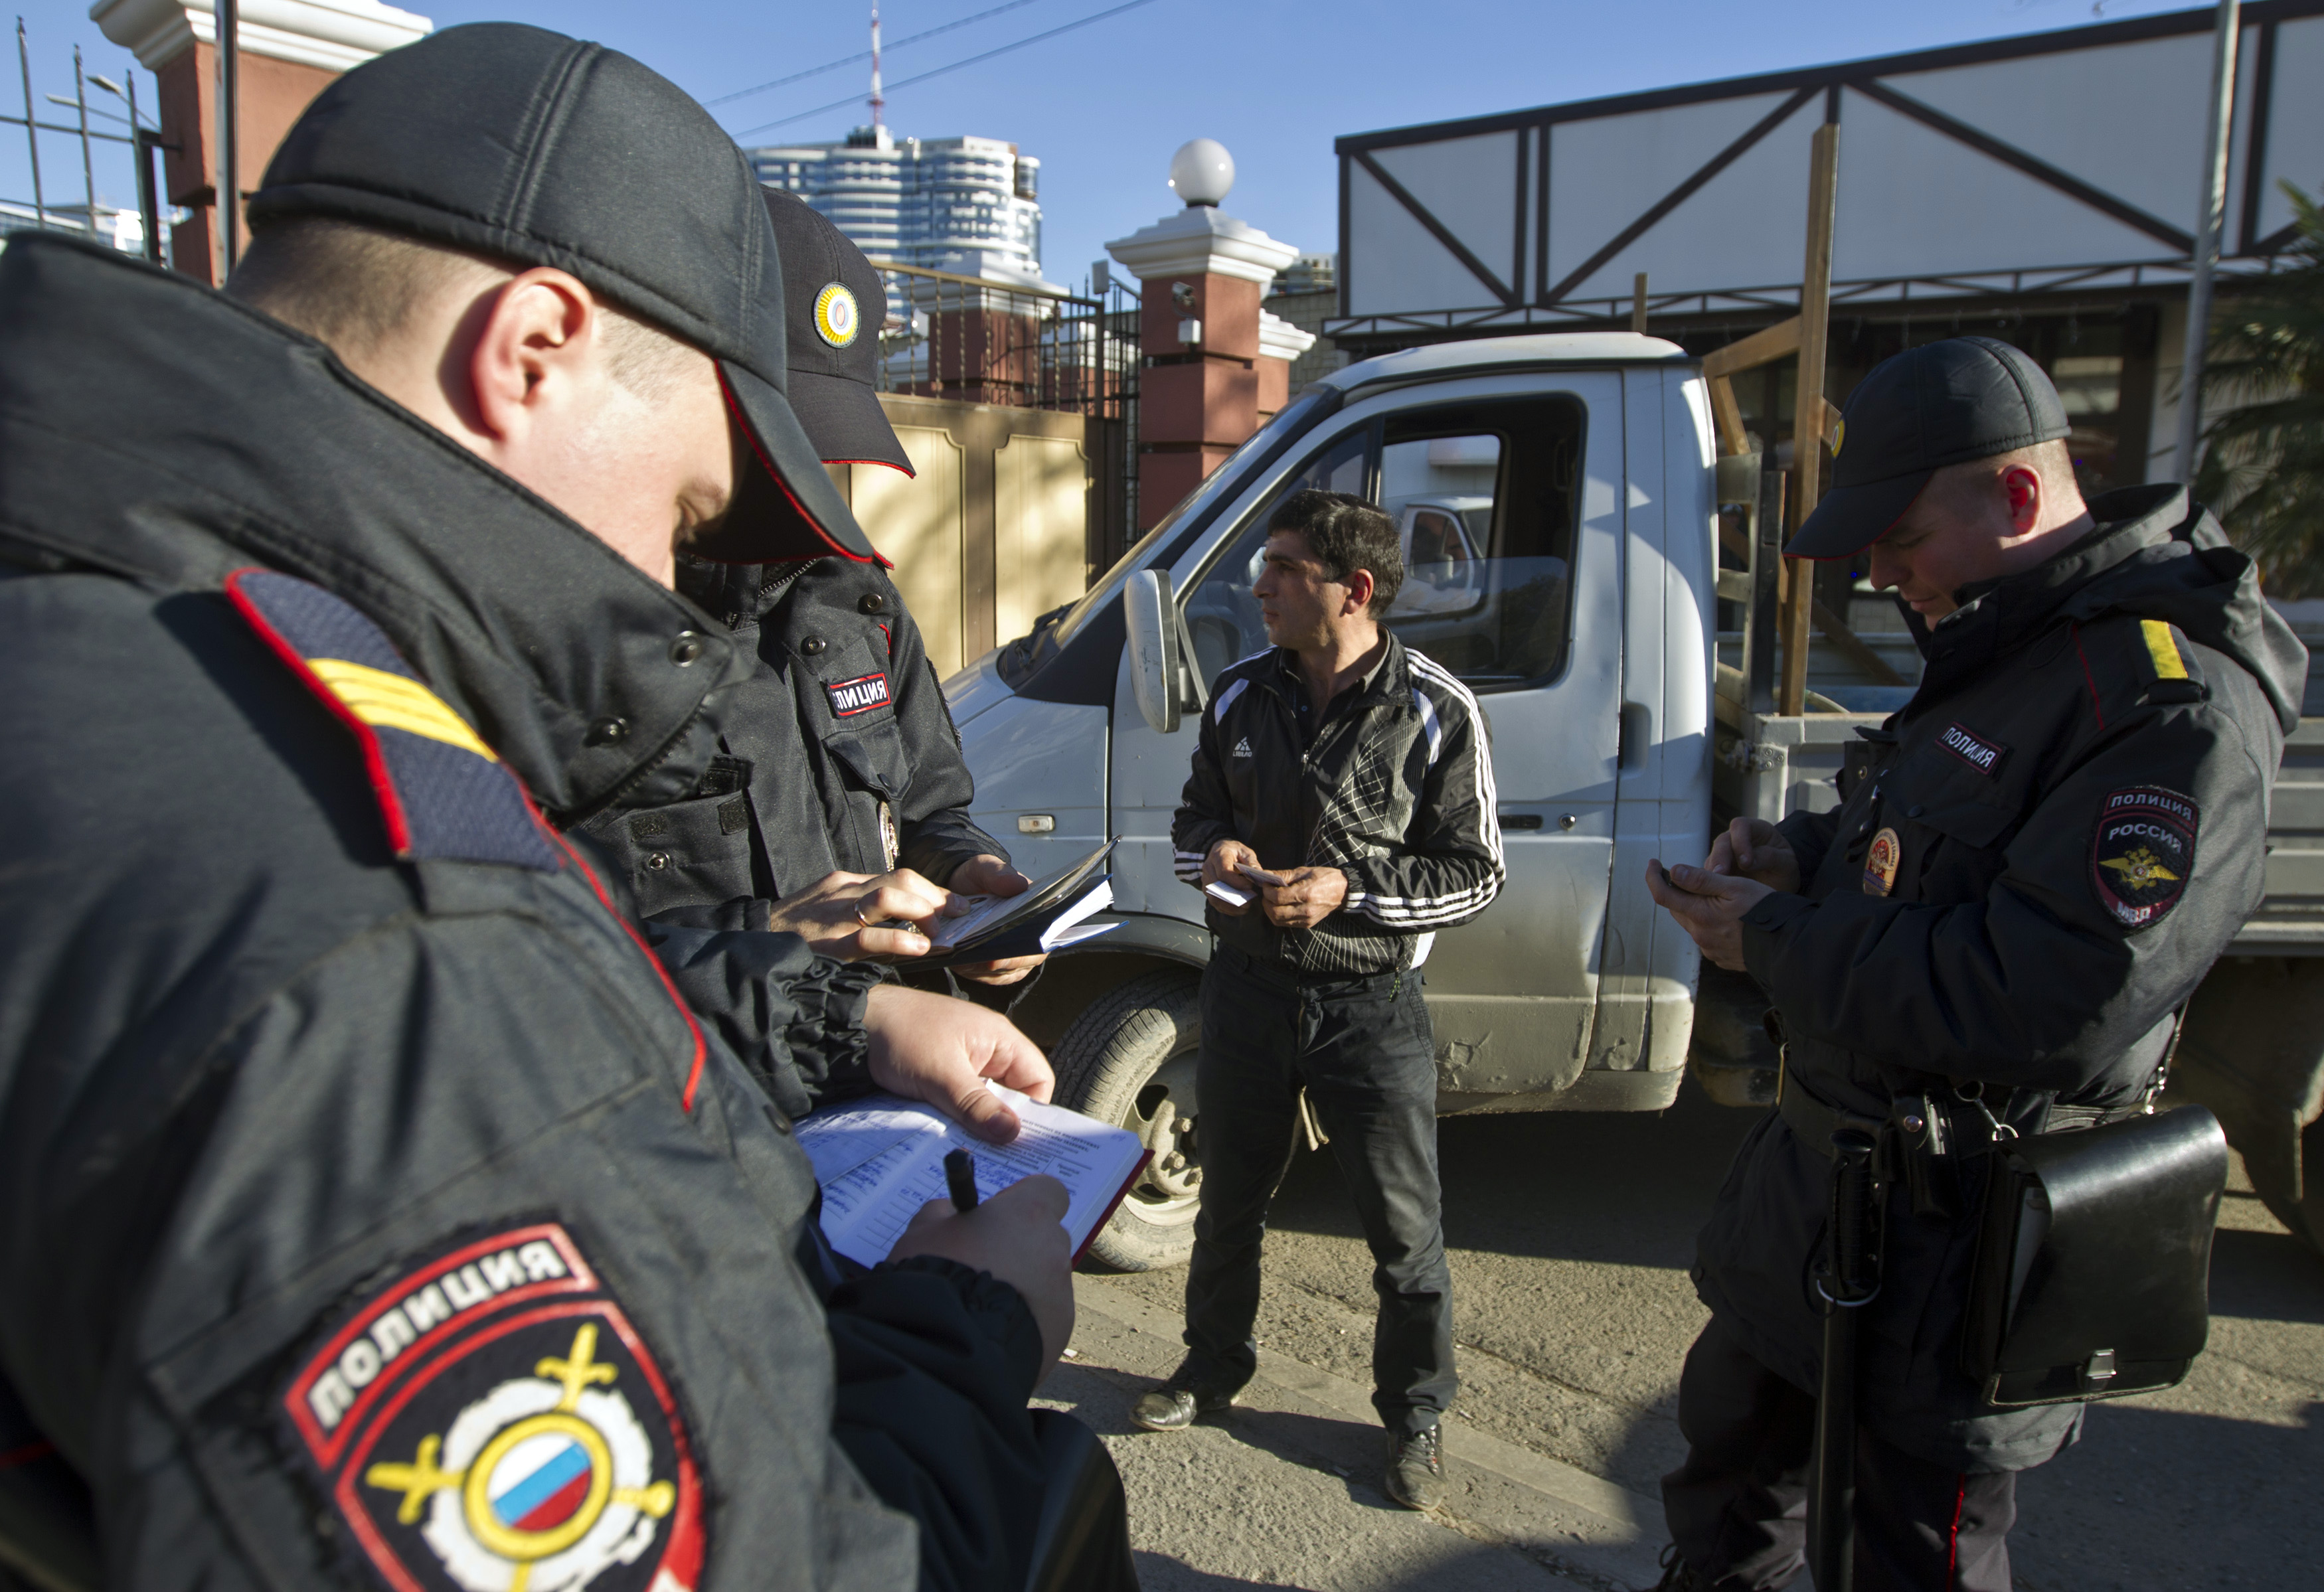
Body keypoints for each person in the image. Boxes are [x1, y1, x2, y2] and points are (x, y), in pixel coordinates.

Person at [0, 24, 1084, 1592]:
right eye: (691, 509)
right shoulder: (396, 943)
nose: (670, 574)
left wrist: (834, 1019)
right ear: (530, 346)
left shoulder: (102, 634)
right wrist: (968, 1329)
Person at [1644, 336, 2307, 1591]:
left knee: (1911, 1556)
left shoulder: (2166, 705)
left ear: (2015, 496)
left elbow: (2042, 992)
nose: (1885, 577)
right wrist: (1798, 857)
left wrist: (1768, 935)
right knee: (1732, 1499)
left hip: (1959, 1248)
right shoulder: (2014, 643)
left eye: (1901, 539)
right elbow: (1918, 834)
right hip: (1823, 1203)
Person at [1140, 488, 1505, 1510]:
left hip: (1369, 1002)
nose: (1257, 585)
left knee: (1404, 1233)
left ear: (1351, 590)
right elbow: (1189, 824)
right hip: (1249, 991)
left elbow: (1477, 874)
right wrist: (1214, 852)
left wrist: (1351, 891)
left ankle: (1417, 1417)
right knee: (1229, 1206)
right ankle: (1211, 1371)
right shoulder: (1239, 693)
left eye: (1281, 568)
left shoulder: (1436, 708)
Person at [584, 189, 1041, 996]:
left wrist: (970, 876)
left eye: (827, 446)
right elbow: (528, 964)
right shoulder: (576, 635)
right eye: (780, 441)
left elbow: (930, 806)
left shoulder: (860, 602)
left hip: (881, 1078)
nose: (808, 484)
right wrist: (762, 940)